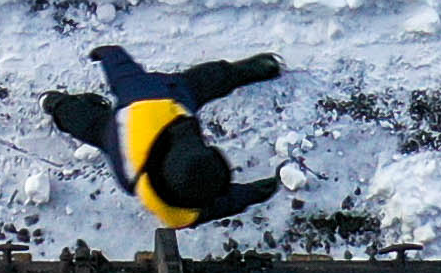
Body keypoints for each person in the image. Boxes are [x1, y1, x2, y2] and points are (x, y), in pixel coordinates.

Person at [42, 45, 286, 232]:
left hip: (128, 134)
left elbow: (126, 76)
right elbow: (219, 206)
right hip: (131, 165)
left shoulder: (150, 103)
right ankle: (248, 71)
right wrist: (255, 193)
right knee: (205, 81)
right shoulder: (176, 213)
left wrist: (110, 54)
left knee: (88, 122)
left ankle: (56, 104)